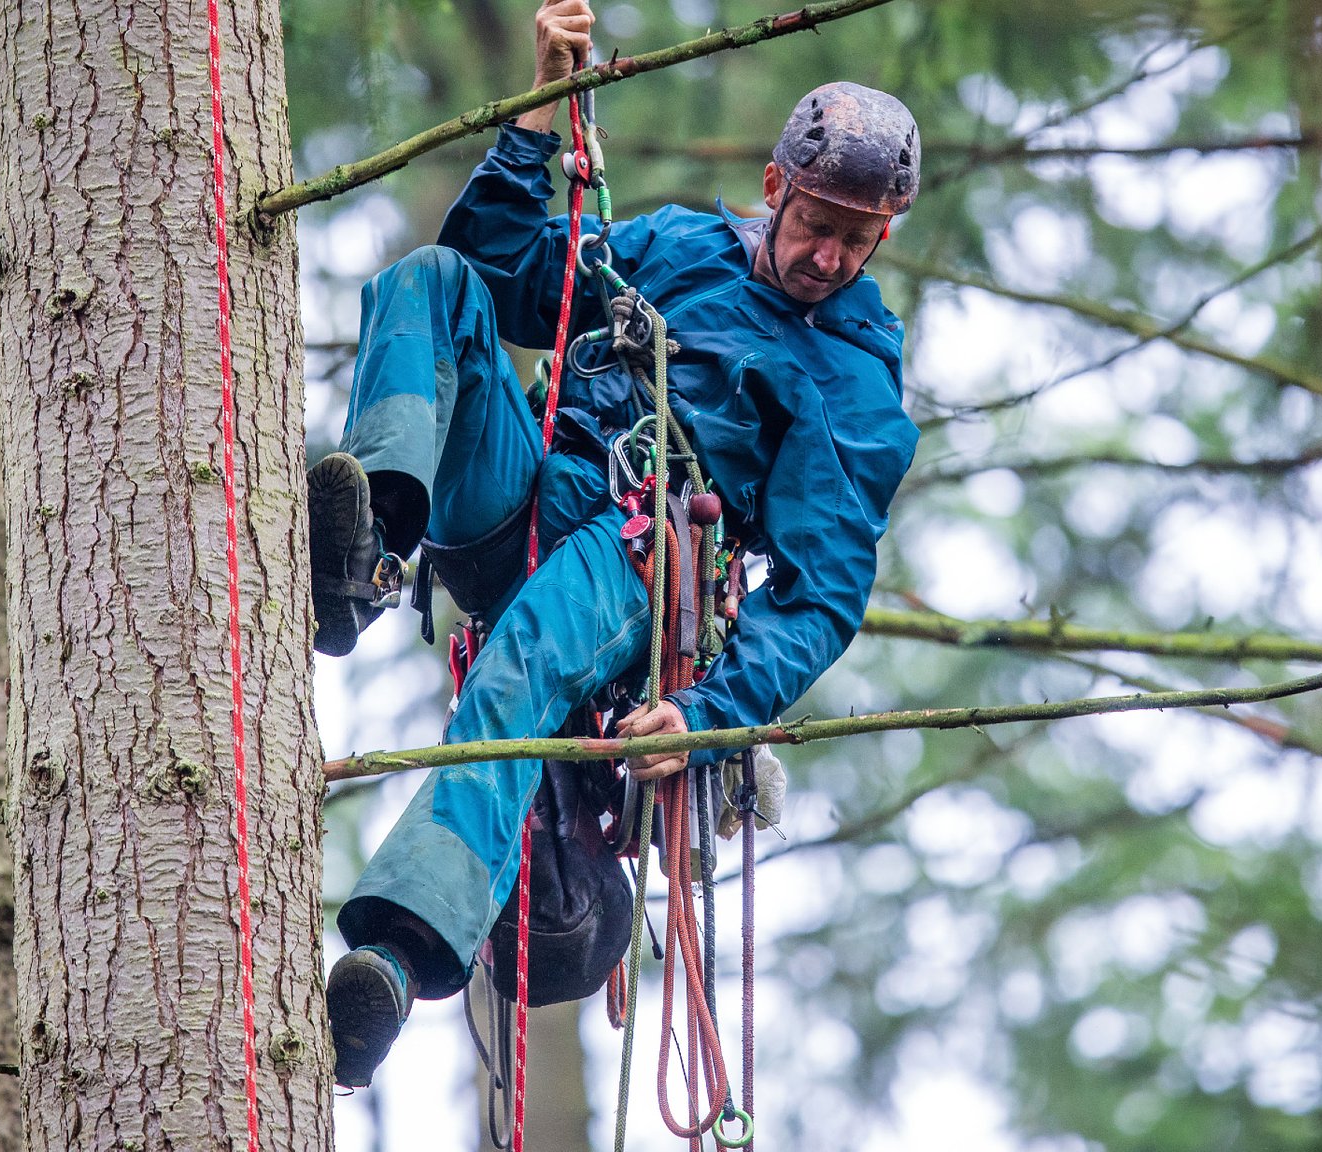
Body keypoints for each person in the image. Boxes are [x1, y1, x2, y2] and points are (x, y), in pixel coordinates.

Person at [311, 0, 921, 1088]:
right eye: (817, 219)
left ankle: (394, 964)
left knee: (518, 670)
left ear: (884, 235)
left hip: (638, 552)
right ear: (775, 187)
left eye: (855, 237)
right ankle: (363, 556)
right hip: (524, 500)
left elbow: (821, 593)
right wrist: (537, 124)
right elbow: (502, 272)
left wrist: (709, 713)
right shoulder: (680, 244)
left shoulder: (854, 384)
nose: (827, 254)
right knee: (429, 284)